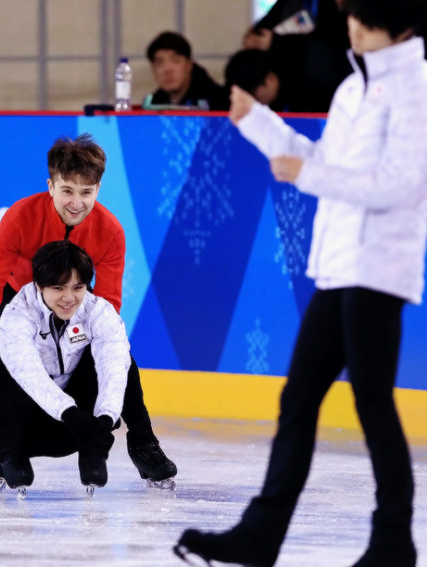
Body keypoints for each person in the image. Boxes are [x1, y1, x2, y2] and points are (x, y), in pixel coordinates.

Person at [175, 0, 427, 565]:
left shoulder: (415, 88)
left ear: (404, 27)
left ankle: (393, 541)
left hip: (379, 268)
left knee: (371, 403)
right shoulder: (352, 88)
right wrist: (259, 124)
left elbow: (400, 184)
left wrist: (308, 175)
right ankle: (261, 535)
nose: (355, 29)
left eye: (369, 20)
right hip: (338, 265)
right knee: (299, 399)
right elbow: (319, 158)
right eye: (354, 17)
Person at [0, 134, 177, 491]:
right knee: (0, 366)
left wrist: (92, 346)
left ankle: (143, 443)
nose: (76, 203)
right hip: (18, 296)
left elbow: (109, 305)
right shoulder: (21, 216)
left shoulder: (111, 231)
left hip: (73, 301)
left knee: (121, 357)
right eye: (67, 190)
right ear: (50, 185)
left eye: (86, 193)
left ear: (98, 189)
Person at [0, 240, 131, 493]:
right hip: (27, 425)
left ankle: (92, 455)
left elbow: (114, 367)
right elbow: (27, 372)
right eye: (58, 287)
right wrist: (69, 413)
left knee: (112, 360)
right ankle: (9, 453)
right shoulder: (17, 313)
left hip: (76, 431)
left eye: (78, 287)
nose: (69, 298)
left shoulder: (100, 312)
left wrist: (104, 420)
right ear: (39, 286)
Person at [243, 0, 351, 112]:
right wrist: (255, 38)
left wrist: (276, 42)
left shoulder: (341, 7)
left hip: (325, 89)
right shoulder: (291, 3)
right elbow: (266, 27)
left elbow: (335, 41)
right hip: (289, 91)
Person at [145, 31, 230, 110]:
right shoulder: (153, 104)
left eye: (176, 60)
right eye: (159, 63)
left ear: (189, 65)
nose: (167, 69)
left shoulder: (219, 101)